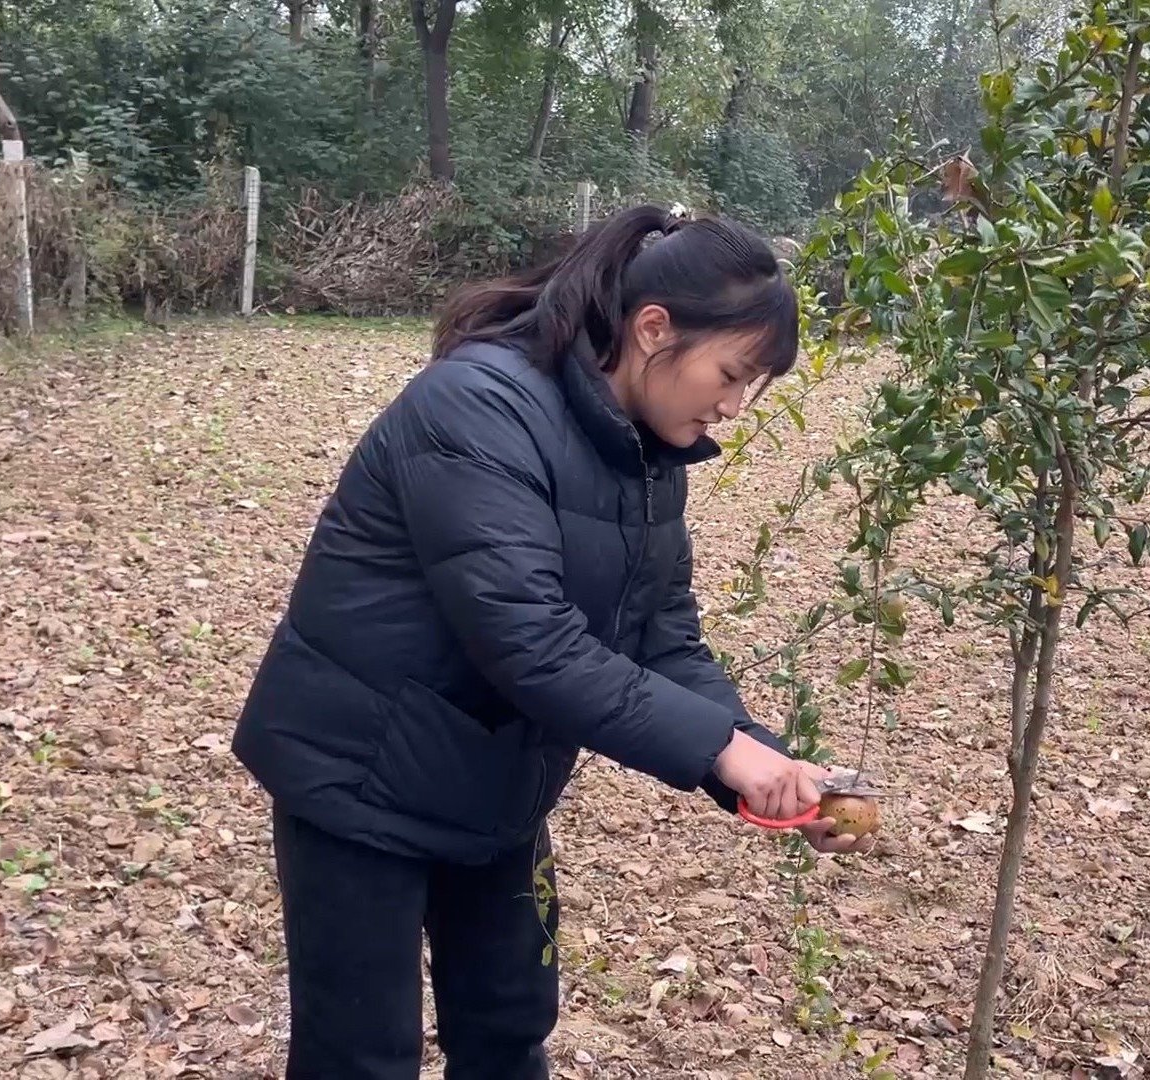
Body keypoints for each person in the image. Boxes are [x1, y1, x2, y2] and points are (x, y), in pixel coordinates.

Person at [230, 204, 874, 1080]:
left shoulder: (643, 450)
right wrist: (719, 753)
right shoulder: (475, 409)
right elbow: (531, 642)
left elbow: (662, 636)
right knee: (362, 1056)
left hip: (492, 780)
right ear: (654, 330)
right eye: (730, 374)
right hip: (359, 780)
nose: (735, 406)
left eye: (754, 388)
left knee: (507, 1029)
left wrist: (763, 761)